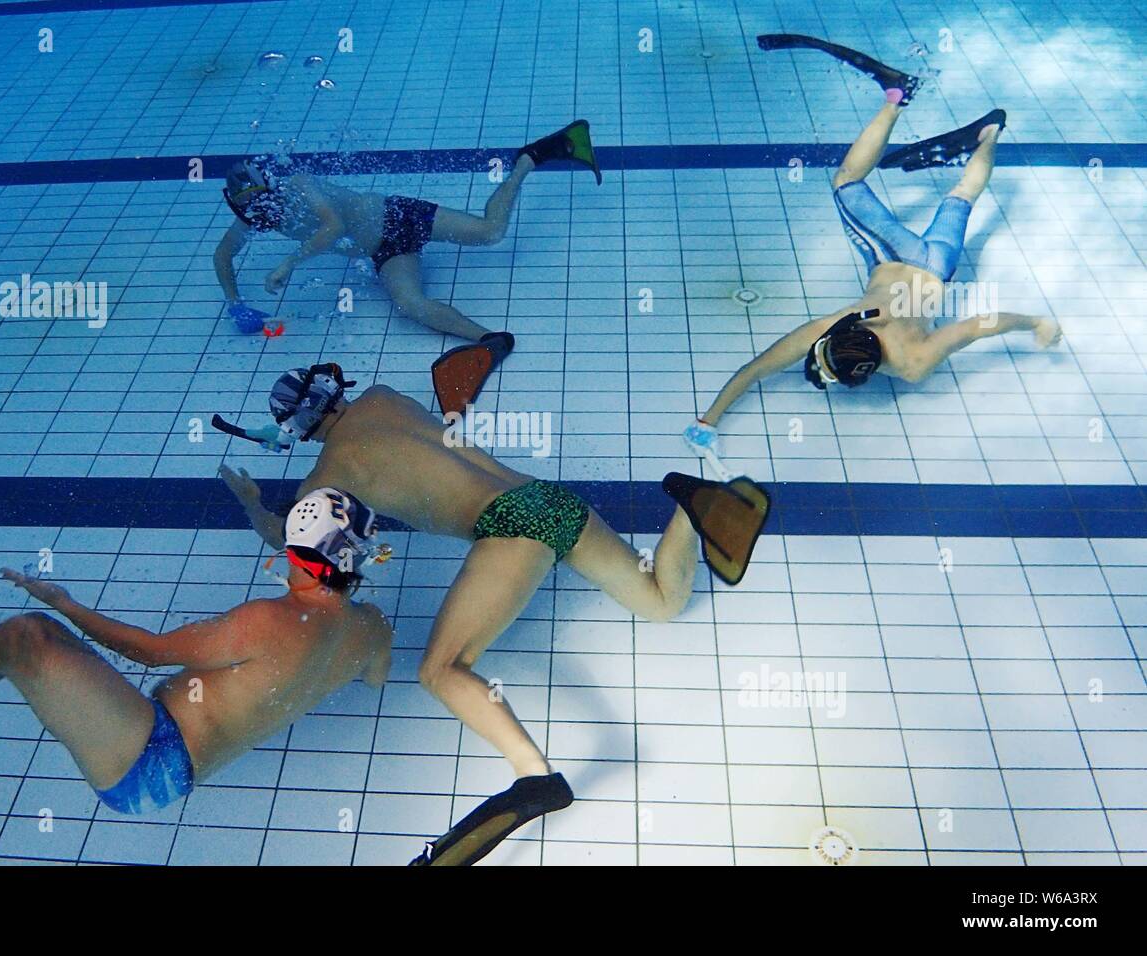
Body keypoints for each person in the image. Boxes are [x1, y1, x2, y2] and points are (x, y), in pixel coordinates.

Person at [218, 362, 726, 864]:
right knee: (662, 602)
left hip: (509, 527)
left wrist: (252, 503)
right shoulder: (381, 395)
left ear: (295, 428)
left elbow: (295, 538)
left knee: (439, 670)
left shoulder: (328, 480)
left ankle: (535, 778)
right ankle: (690, 505)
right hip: (546, 497)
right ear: (334, 386)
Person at [0, 489, 392, 815]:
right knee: (21, 640)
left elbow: (150, 653)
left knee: (25, 641)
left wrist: (66, 602)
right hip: (168, 760)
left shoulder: (265, 620)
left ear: (298, 557)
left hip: (148, 762)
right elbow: (373, 678)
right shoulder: (371, 631)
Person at [682, 68, 1062, 472]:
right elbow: (757, 368)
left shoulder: (914, 363)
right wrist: (706, 420)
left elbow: (978, 325)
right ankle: (897, 99)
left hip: (935, 264)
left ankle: (990, 133)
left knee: (962, 194)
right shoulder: (855, 331)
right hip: (894, 255)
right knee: (846, 181)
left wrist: (1036, 322)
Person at [213, 121, 601, 338]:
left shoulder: (298, 184)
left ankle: (530, 159)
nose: (257, 211)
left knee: (490, 233)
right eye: (248, 206)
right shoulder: (254, 217)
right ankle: (487, 340)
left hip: (398, 215)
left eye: (259, 200)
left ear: (268, 186)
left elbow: (333, 226)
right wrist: (235, 303)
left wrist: (289, 263)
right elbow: (223, 254)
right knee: (410, 306)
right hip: (384, 252)